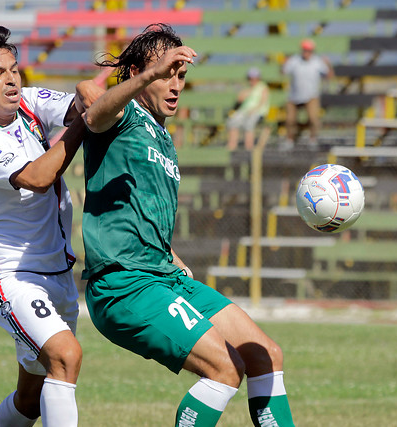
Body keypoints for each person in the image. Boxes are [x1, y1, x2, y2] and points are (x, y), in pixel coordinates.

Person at [80, 23, 296, 427]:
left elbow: (141, 211)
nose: (176, 84)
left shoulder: (162, 136)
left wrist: (170, 252)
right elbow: (93, 109)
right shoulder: (123, 116)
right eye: (167, 74)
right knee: (224, 368)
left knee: (265, 353)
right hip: (125, 285)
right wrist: (148, 74)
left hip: (162, 276)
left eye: (181, 75)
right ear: (138, 75)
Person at [0, 24, 102, 427]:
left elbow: (79, 104)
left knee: (31, 399)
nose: (12, 78)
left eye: (14, 69)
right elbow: (37, 178)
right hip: (11, 276)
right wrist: (83, 123)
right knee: (66, 356)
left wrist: (87, 94)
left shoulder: (30, 103)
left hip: (59, 274)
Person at [281, 38, 333, 149]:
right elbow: (283, 71)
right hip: (294, 96)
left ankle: (312, 139)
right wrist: (283, 63)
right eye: (304, 50)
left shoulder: (317, 62)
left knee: (313, 119)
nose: (306, 53)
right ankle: (289, 140)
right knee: (290, 120)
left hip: (311, 96)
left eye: (309, 50)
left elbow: (328, 75)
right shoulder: (294, 60)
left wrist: (328, 64)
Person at [226, 67, 270, 151]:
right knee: (233, 121)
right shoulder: (246, 88)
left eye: (254, 78)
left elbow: (263, 102)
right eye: (250, 78)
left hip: (257, 112)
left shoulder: (262, 87)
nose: (252, 80)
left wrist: (253, 110)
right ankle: (232, 146)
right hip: (244, 111)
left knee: (249, 123)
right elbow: (239, 100)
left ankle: (248, 147)